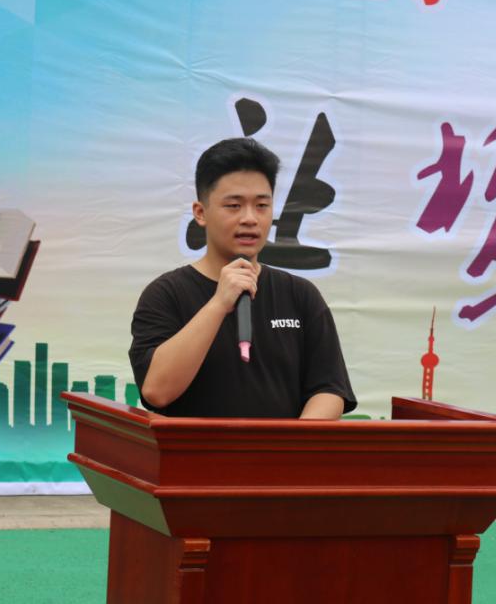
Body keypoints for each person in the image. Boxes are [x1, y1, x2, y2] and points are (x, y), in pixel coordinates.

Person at [129, 138, 356, 419]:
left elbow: (329, 390)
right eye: (234, 206)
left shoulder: (300, 295)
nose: (250, 219)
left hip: (284, 449)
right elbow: (157, 391)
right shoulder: (166, 294)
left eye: (261, 205)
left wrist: (291, 443)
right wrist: (218, 304)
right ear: (200, 213)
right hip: (193, 449)